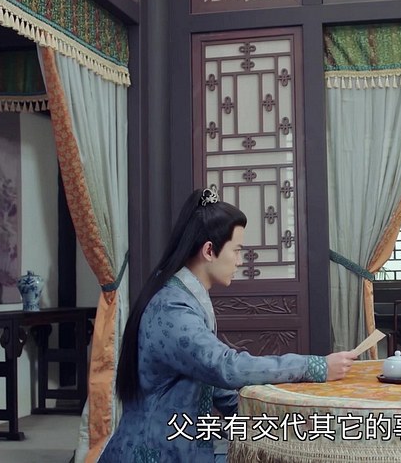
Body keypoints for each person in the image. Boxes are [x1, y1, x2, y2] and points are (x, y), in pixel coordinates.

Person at [99, 188, 357, 463]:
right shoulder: (173, 308)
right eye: (236, 250)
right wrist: (315, 367)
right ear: (209, 251)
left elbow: (212, 382)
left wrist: (271, 423)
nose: (240, 260)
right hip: (153, 452)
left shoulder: (186, 298)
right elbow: (225, 367)